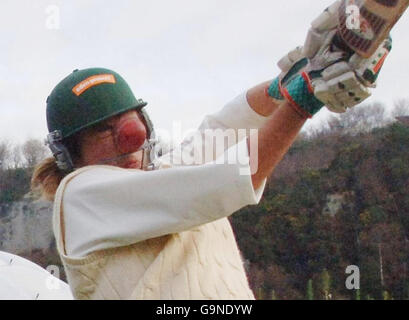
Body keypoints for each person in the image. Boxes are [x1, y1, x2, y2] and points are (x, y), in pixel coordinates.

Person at [31, 1, 392, 299]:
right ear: (70, 153)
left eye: (125, 123)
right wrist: (306, 98)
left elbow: (220, 130)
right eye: (102, 132)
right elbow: (224, 182)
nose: (127, 139)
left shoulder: (161, 181)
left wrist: (290, 81)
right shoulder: (80, 197)